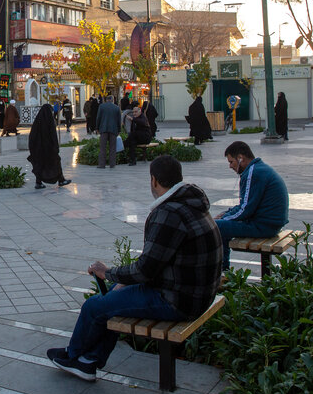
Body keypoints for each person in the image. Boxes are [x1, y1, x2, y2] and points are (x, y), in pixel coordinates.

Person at [47, 155, 222, 381]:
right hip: (198, 294)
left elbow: (145, 270)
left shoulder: (167, 213)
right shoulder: (192, 203)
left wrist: (107, 271)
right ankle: (88, 361)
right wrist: (120, 281)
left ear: (154, 181)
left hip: (178, 301)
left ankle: (74, 356)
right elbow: (157, 264)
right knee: (111, 295)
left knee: (94, 306)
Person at [215, 141, 290, 270]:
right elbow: (245, 205)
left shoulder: (253, 173)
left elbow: (245, 209)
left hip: (264, 226)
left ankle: (222, 270)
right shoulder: (258, 169)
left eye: (231, 162)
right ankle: (223, 269)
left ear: (240, 158)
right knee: (222, 221)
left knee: (216, 227)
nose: (230, 166)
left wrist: (222, 219)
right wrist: (226, 214)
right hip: (270, 223)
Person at [28, 104, 72, 189]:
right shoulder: (49, 121)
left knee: (40, 164)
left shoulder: (37, 122)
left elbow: (32, 136)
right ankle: (61, 180)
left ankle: (38, 182)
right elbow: (53, 136)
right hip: (49, 148)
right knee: (56, 162)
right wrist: (55, 147)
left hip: (38, 149)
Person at [96, 96, 122, 169]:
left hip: (103, 129)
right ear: (113, 100)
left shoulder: (101, 106)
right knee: (112, 148)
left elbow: (98, 118)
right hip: (113, 130)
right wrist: (119, 130)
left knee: (102, 147)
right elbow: (119, 120)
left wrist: (97, 128)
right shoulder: (116, 108)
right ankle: (112, 164)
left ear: (106, 100)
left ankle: (101, 164)